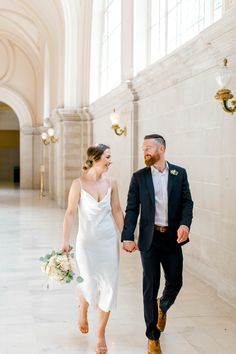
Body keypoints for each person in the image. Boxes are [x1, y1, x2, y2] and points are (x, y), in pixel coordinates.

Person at [121, 134, 193, 354]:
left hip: (172, 238)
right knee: (149, 287)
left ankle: (163, 306)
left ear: (161, 149)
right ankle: (152, 336)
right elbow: (132, 208)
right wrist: (127, 235)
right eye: (143, 148)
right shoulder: (139, 177)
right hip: (149, 240)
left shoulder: (179, 173)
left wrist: (185, 224)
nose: (145, 152)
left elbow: (187, 202)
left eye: (149, 148)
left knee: (176, 282)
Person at [62, 144, 124, 354]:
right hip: (86, 243)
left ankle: (101, 333)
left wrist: (126, 237)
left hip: (108, 242)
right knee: (88, 281)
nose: (110, 161)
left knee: (109, 286)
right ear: (96, 158)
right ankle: (83, 309)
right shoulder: (78, 184)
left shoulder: (112, 182)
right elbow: (70, 213)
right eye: (107, 157)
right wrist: (65, 240)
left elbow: (116, 210)